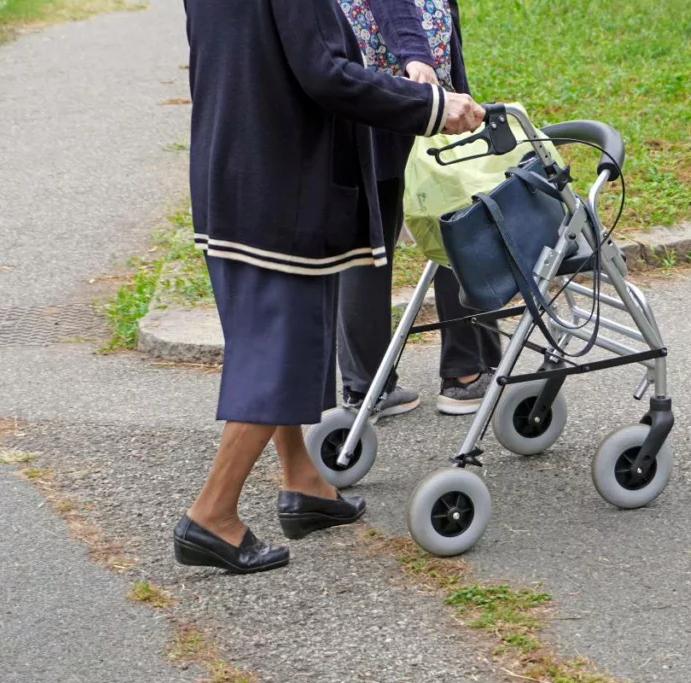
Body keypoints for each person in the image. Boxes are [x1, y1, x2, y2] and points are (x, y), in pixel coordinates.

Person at [174, 0, 486, 574]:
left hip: (229, 168)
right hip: (282, 184)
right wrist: (432, 104)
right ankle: (211, 515)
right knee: (280, 356)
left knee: (274, 341)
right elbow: (327, 74)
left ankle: (303, 484)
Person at [336, 0, 503, 419]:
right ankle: (466, 376)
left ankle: (366, 387)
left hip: (364, 91)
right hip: (413, 92)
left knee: (367, 243)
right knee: (455, 220)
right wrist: (418, 56)